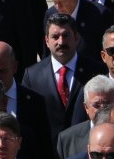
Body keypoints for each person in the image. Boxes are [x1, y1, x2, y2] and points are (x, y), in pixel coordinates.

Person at [21, 14, 107, 145]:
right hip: (47, 152)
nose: (61, 42)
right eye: (55, 37)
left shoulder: (96, 72)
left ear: (76, 37)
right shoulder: (32, 76)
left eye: (66, 35)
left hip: (86, 149)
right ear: (46, 41)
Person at [46, 0, 112, 61]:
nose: (58, 7)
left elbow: (108, 54)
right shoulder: (50, 14)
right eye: (54, 2)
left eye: (61, 1)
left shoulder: (99, 15)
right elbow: (46, 56)